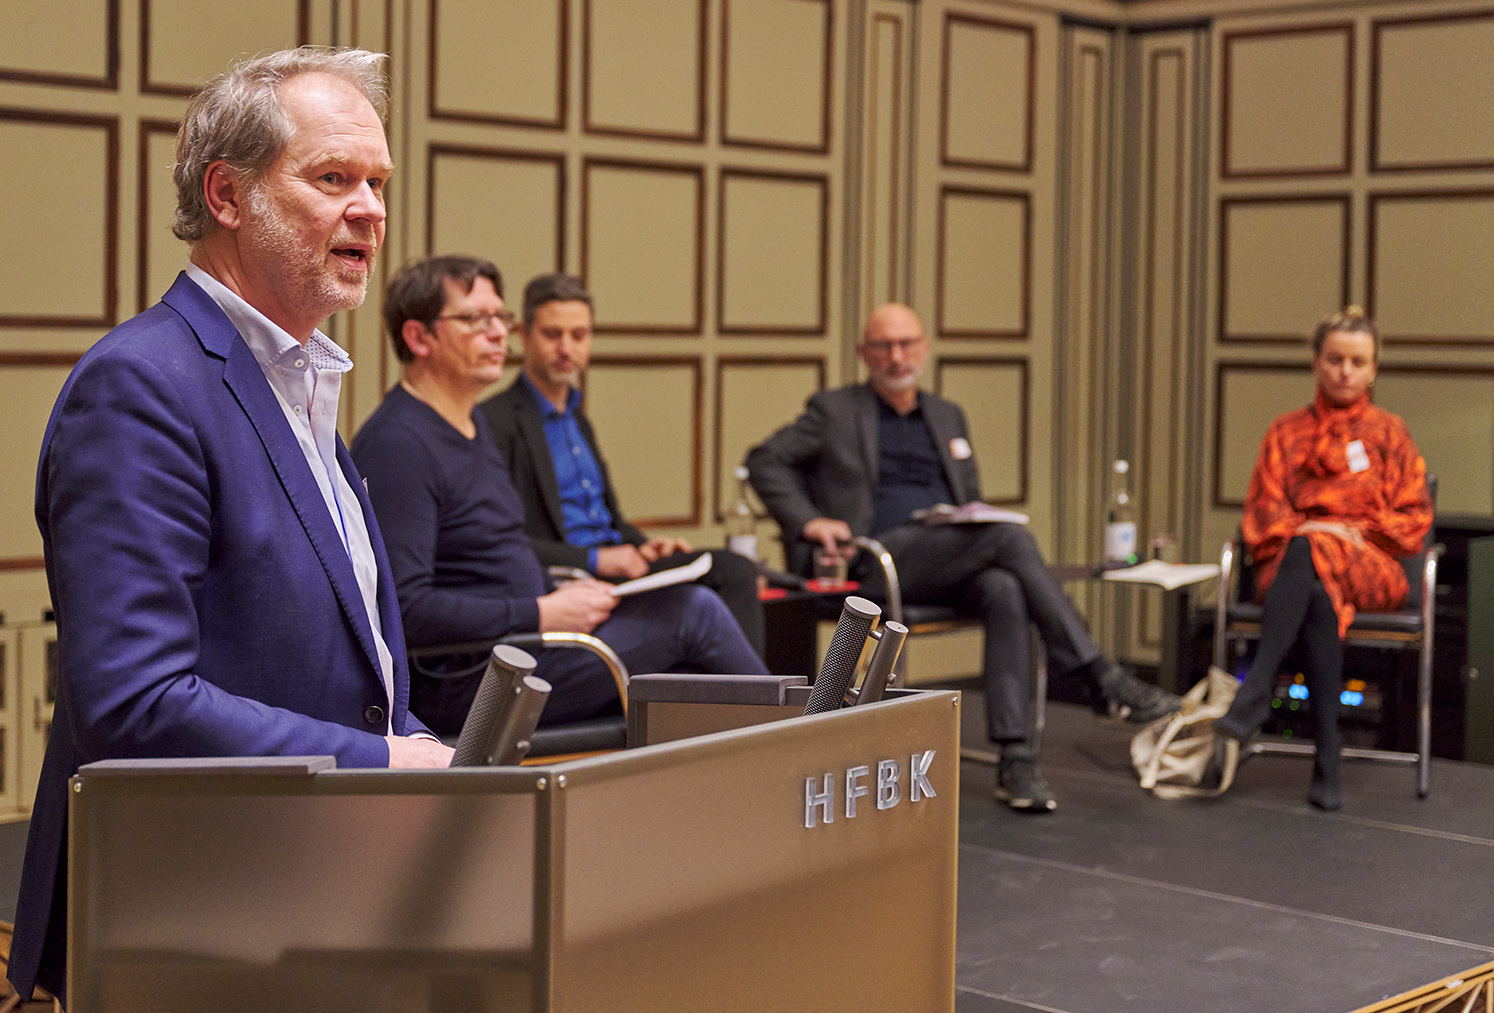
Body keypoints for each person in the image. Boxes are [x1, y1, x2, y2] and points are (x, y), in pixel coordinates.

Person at [7, 48, 452, 1004]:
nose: (371, 209)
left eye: (378, 182)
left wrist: (428, 752)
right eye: (333, 178)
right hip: (188, 916)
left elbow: (341, 650)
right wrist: (381, 758)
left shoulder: (301, 382)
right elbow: (132, 700)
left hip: (316, 888)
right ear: (227, 194)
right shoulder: (143, 385)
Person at [745, 303, 1179, 813]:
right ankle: (1099, 677)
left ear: (925, 348)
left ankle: (1017, 758)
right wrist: (809, 521)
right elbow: (764, 460)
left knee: (1005, 586)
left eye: (907, 343)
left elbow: (968, 499)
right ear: (864, 354)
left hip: (942, 555)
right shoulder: (834, 411)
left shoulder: (948, 416)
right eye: (884, 346)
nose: (897, 355)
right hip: (876, 561)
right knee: (1009, 539)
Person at [350, 256, 767, 735]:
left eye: (499, 318)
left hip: (523, 645)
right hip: (471, 680)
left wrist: (560, 587)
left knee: (694, 657)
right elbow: (404, 610)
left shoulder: (469, 423)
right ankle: (799, 748)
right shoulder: (399, 443)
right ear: (419, 338)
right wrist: (543, 611)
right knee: (694, 615)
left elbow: (490, 559)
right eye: (474, 320)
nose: (496, 333)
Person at [1213, 307, 1431, 811]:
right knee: (1313, 582)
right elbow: (1263, 513)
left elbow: (1414, 519)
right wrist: (1312, 532)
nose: (1346, 372)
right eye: (1335, 359)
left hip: (1371, 564)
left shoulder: (1391, 434)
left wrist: (1350, 532)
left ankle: (1257, 688)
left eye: (1358, 362)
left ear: (1374, 368)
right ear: (1316, 363)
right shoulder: (1285, 433)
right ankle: (1328, 748)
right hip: (1295, 565)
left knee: (1314, 549)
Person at [480, 272, 766, 653]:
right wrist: (599, 558)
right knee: (729, 576)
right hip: (570, 579)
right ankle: (760, 710)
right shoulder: (494, 421)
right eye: (553, 334)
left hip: (618, 569)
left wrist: (645, 547)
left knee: (734, 570)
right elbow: (505, 540)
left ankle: (746, 704)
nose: (567, 347)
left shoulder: (578, 419)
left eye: (579, 335)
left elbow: (610, 521)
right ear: (523, 334)